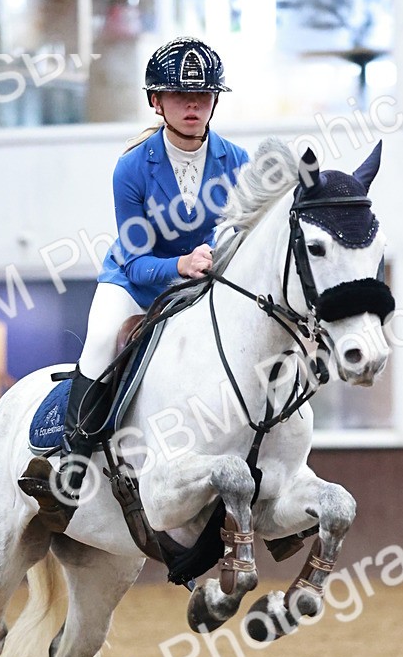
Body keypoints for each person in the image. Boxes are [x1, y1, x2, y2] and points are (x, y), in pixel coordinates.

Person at [20, 36, 249, 522]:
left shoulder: (239, 163)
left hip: (203, 289)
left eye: (204, 95)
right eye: (179, 95)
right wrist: (181, 265)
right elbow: (137, 258)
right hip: (136, 282)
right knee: (101, 339)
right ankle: (72, 470)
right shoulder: (132, 167)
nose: (193, 105)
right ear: (156, 101)